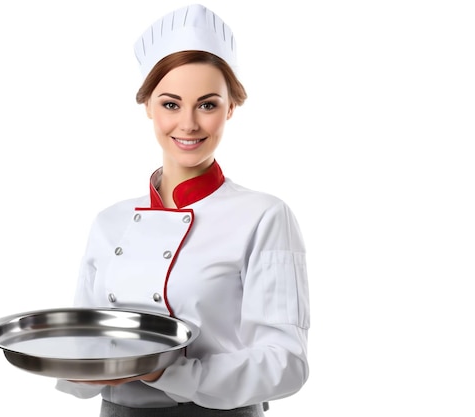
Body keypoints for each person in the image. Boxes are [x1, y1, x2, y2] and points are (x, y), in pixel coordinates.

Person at [56, 4, 310, 416]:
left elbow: (287, 363)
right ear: (149, 108)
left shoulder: (264, 216)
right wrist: (75, 366)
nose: (188, 124)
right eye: (171, 104)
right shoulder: (110, 222)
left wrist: (166, 372)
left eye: (207, 105)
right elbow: (86, 343)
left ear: (230, 108)